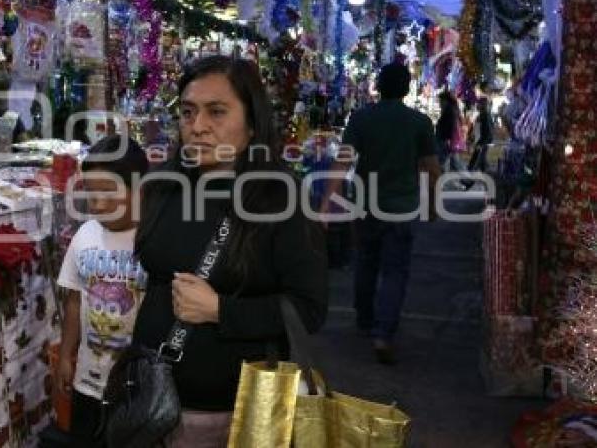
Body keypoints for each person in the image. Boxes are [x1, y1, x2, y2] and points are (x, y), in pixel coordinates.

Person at [131, 55, 328, 447]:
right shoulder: (164, 187)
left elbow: (308, 309)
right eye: (188, 112)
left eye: (216, 112)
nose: (198, 126)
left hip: (229, 415)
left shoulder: (281, 199)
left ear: (252, 123)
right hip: (147, 398)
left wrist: (220, 310)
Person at [320, 63, 441, 364]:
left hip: (364, 205)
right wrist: (432, 204)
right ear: (406, 88)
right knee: (395, 271)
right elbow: (431, 169)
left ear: (378, 86)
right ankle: (383, 333)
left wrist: (326, 204)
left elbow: (343, 162)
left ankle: (364, 320)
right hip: (402, 208)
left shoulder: (362, 118)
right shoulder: (419, 122)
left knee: (365, 262)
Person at [55, 135, 150, 447]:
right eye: (91, 191)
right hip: (88, 382)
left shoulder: (154, 241)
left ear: (139, 189)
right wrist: (67, 356)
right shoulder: (86, 234)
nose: (97, 202)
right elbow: (74, 300)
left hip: (138, 387)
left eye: (108, 191)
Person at [468, 97, 494, 173]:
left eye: (479, 103)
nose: (477, 105)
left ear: (483, 105)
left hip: (482, 141)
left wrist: (482, 143)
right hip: (481, 141)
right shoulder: (482, 115)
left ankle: (469, 180)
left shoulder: (485, 116)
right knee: (480, 159)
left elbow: (488, 131)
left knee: (476, 160)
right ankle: (485, 173)